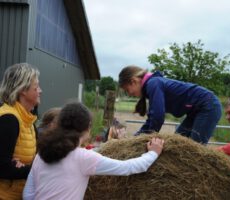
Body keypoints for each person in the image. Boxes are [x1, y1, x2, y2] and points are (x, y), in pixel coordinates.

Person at [23, 102, 164, 200]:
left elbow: (28, 195)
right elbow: (127, 167)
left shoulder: (41, 154)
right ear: (88, 127)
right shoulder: (83, 158)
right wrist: (153, 153)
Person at [118, 65, 222, 144]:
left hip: (208, 105)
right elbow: (151, 119)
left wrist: (144, 140)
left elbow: (158, 117)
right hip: (195, 111)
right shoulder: (152, 85)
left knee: (194, 149)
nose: (130, 94)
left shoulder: (153, 83)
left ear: (133, 81)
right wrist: (136, 139)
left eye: (127, 90)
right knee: (177, 143)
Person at [0, 63, 42, 199]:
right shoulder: (8, 119)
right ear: (23, 89)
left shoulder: (28, 121)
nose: (40, 91)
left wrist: (24, 167)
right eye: (37, 86)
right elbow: (2, 168)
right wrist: (35, 170)